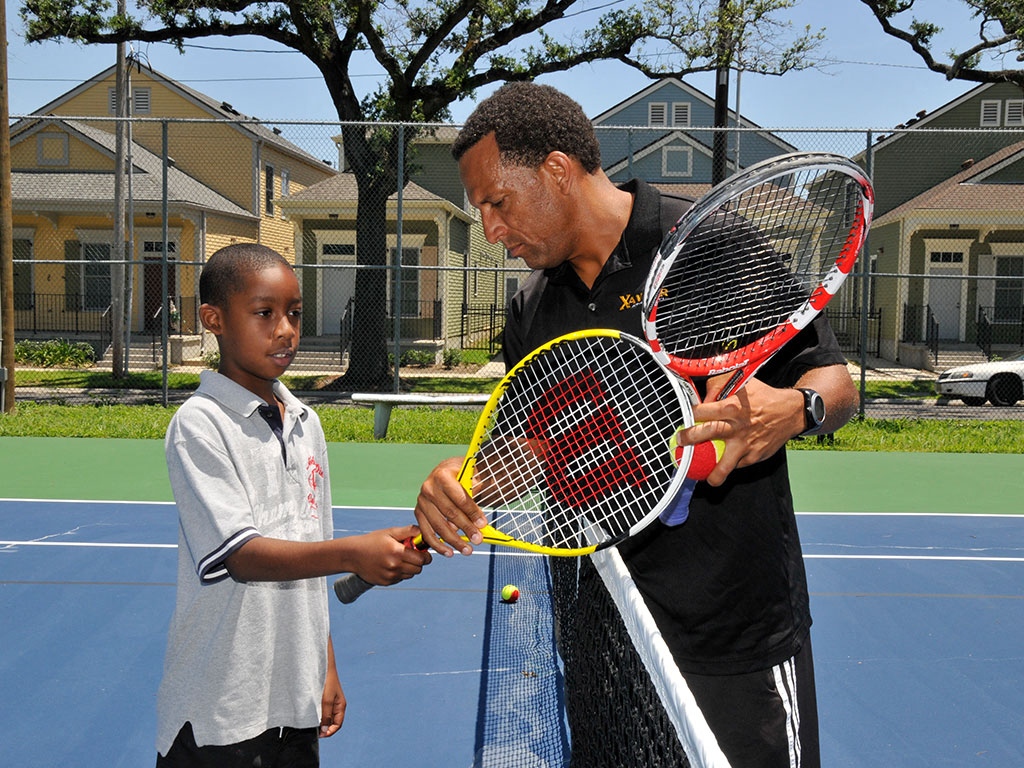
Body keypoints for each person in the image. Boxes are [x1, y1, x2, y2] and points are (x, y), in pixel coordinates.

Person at [413, 82, 858, 767]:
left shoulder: (709, 247)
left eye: (497, 203)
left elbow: (836, 382)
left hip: (731, 636)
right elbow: (534, 450)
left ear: (559, 169)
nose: (492, 231)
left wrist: (793, 409)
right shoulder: (533, 310)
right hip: (603, 633)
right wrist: (461, 482)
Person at [156, 243, 431, 767]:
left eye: (295, 313)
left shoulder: (306, 421)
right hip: (220, 710)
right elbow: (242, 556)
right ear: (213, 319)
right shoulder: (199, 425)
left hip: (294, 706)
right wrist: (354, 554)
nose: (285, 329)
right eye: (265, 313)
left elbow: (311, 552)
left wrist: (324, 666)